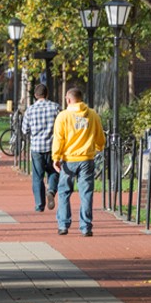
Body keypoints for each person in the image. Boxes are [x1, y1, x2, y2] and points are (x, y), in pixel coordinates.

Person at [52, 88, 105, 237]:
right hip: (87, 159)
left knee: (64, 192)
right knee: (86, 193)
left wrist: (56, 157)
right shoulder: (93, 115)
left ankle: (63, 224)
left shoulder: (63, 116)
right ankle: (86, 226)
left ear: (68, 100)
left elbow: (58, 138)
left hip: (69, 160)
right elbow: (99, 136)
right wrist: (99, 147)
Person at [22, 84, 62, 212]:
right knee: (54, 171)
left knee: (37, 176)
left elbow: (25, 129)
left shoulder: (30, 110)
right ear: (47, 94)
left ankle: (39, 204)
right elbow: (62, 126)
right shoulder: (56, 107)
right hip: (52, 146)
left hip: (37, 147)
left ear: (35, 95)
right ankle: (51, 191)